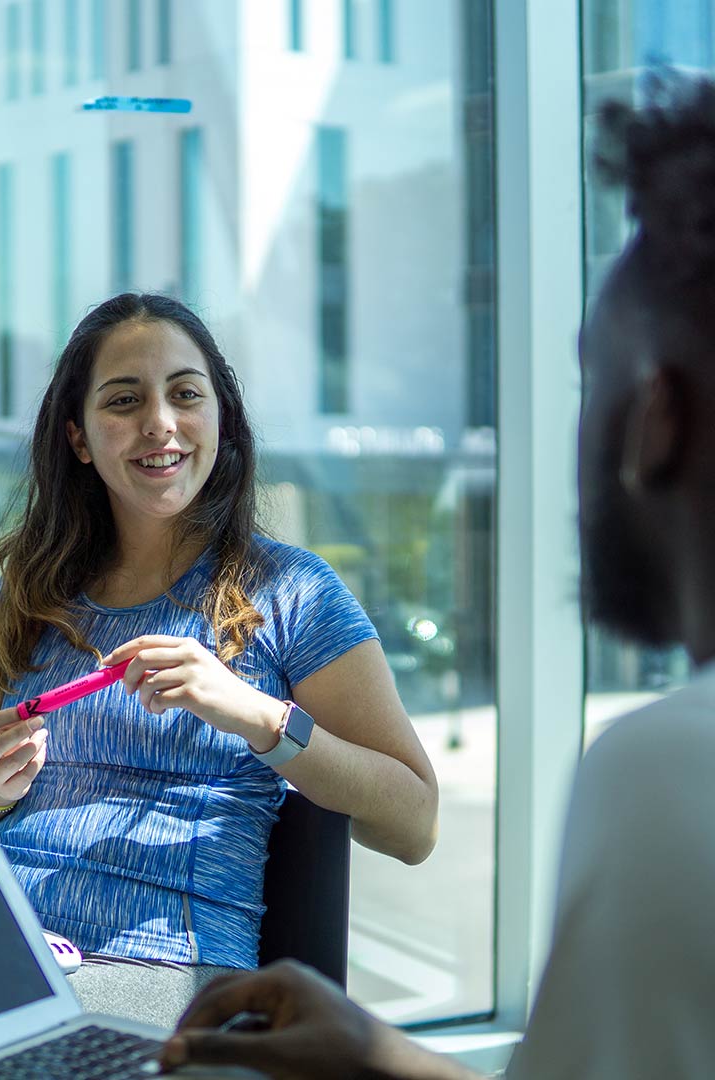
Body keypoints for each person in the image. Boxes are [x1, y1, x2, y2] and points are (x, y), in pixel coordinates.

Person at [151, 72, 715, 1079]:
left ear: (654, 422)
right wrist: (384, 1058)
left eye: (587, 376)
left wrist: (257, 716)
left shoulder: (670, 770)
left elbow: (407, 818)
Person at [0, 292, 439, 1029]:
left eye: (185, 394)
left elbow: (414, 824)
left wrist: (257, 716)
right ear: (78, 438)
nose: (160, 423)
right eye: (124, 400)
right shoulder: (28, 593)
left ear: (219, 421)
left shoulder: (292, 591)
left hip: (165, 974)